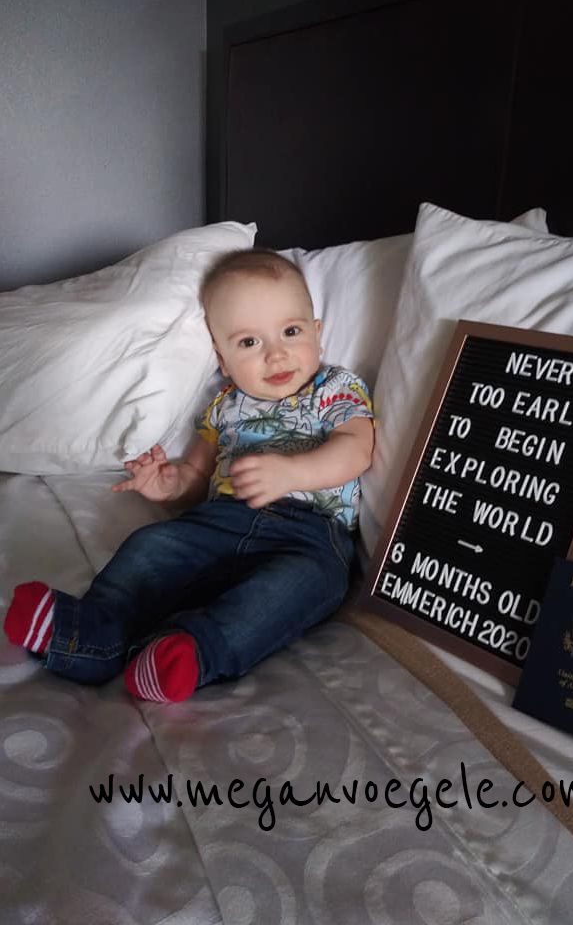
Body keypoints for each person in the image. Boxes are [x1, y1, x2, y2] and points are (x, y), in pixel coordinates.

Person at [4, 249, 374, 703]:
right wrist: (168, 486)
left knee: (299, 588)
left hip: (311, 535)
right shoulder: (224, 406)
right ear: (223, 360)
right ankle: (88, 635)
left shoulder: (335, 386)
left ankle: (191, 654)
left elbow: (357, 449)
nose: (276, 353)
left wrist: (292, 472)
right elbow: (197, 476)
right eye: (249, 343)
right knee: (151, 547)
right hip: (221, 520)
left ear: (318, 334)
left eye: (291, 332)